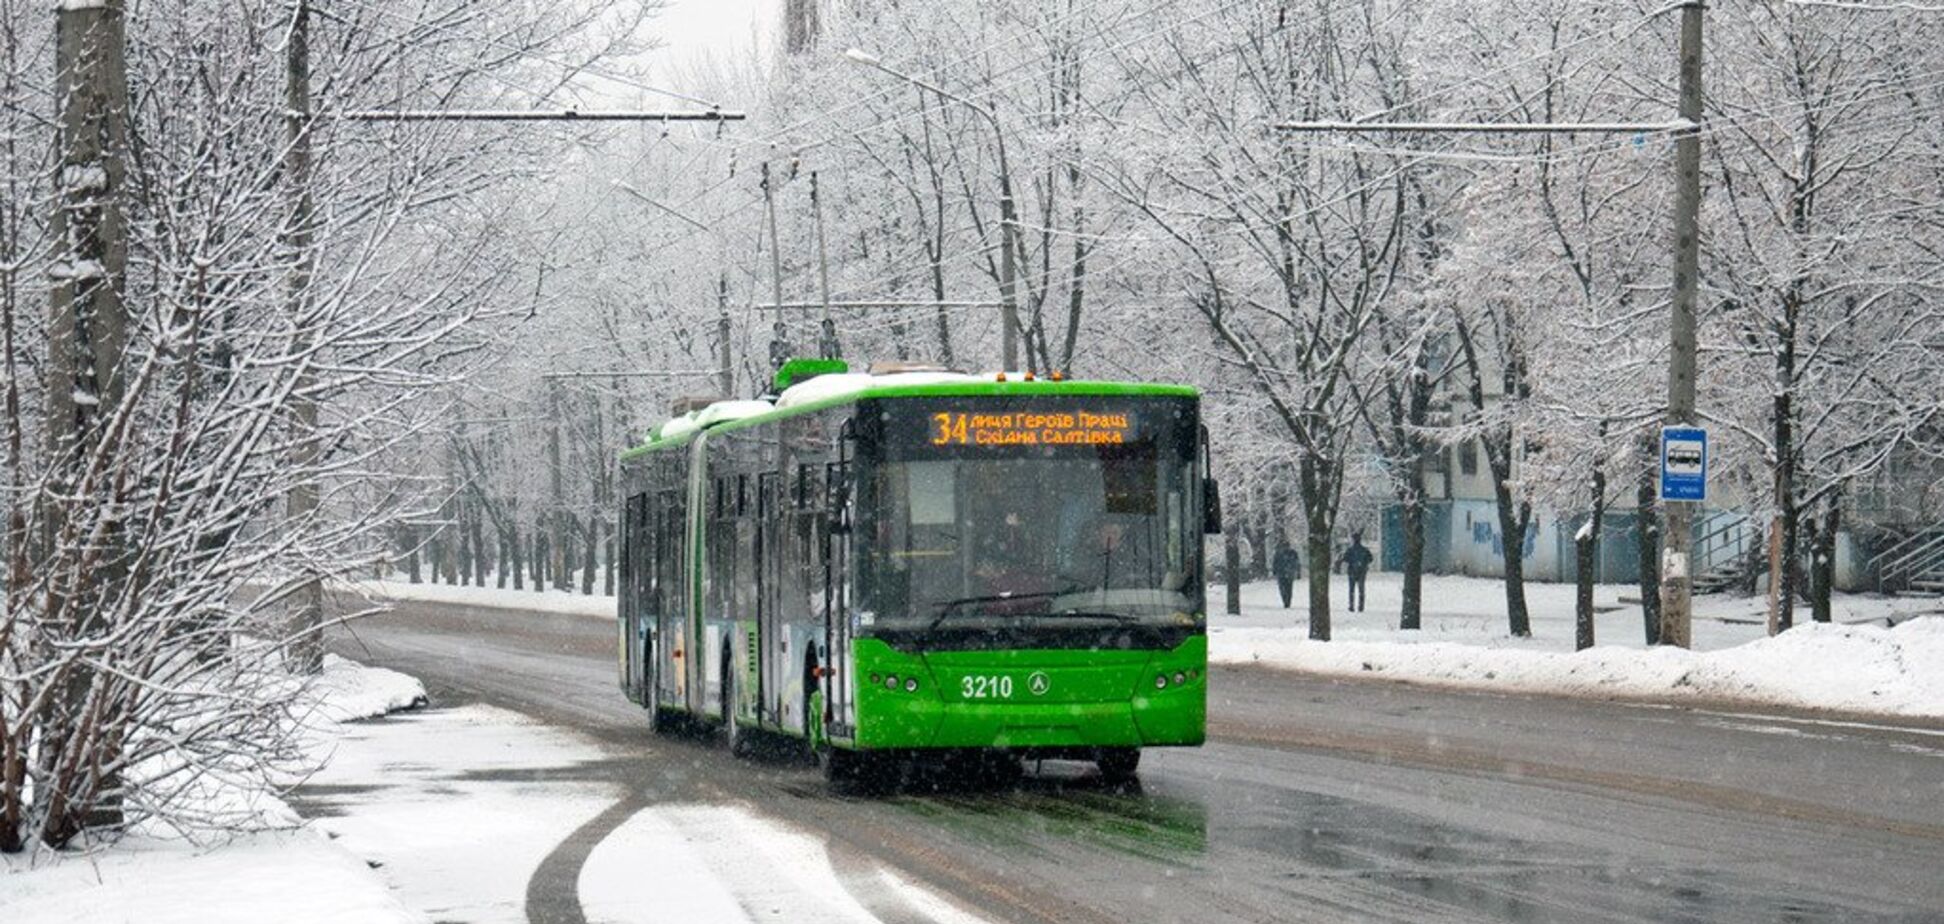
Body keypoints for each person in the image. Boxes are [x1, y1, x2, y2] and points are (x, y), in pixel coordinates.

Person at [1342, 532, 1373, 613]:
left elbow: (1345, 559)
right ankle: (1361, 606)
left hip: (1352, 571)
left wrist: (1352, 563)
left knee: (1351, 590)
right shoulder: (1365, 550)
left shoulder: (1350, 550)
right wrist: (1364, 563)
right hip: (1362, 571)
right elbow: (1370, 559)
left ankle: (1351, 606)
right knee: (1361, 589)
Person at [1271, 542, 1301, 609]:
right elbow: (1275, 563)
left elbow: (1297, 563)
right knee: (1284, 588)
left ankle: (1287, 601)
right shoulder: (1279, 554)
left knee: (1287, 588)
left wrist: (1298, 572)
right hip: (1283, 573)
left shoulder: (1291, 553)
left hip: (1287, 573)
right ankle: (1286, 601)